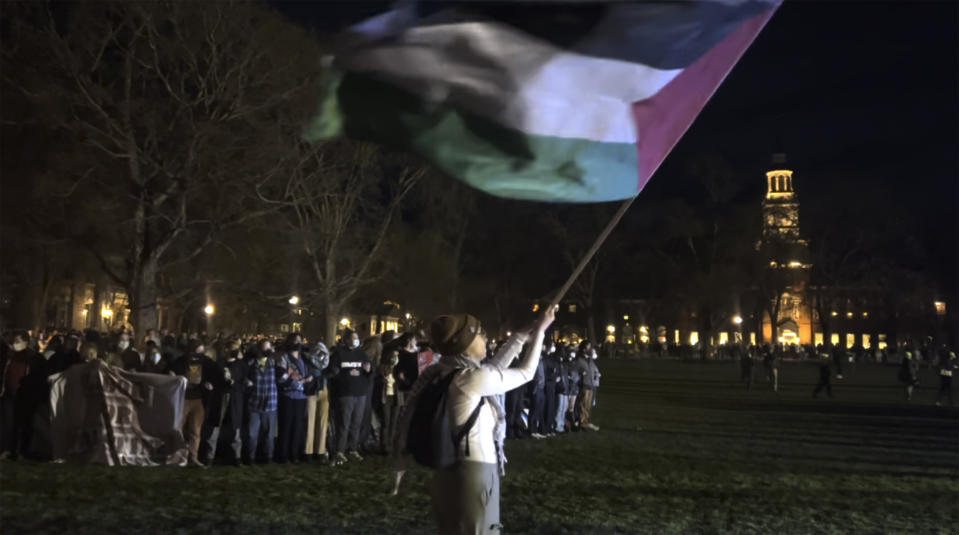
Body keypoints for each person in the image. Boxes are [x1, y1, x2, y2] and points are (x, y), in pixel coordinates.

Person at [394, 306, 555, 534]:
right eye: (480, 333)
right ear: (465, 344)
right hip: (473, 475)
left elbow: (494, 368)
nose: (485, 337)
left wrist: (521, 336)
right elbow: (526, 372)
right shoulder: (470, 379)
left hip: (446, 474)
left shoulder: (443, 373)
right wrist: (540, 332)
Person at [327, 329, 372, 465]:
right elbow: (333, 373)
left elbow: (369, 371)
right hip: (346, 393)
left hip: (360, 393)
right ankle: (340, 451)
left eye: (357, 338)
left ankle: (353, 449)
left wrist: (369, 370)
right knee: (344, 423)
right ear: (346, 340)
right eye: (353, 338)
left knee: (356, 423)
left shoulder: (361, 353)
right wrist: (346, 374)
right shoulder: (339, 354)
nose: (356, 340)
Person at [170, 340, 218, 467]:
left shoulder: (206, 362)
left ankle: (193, 457)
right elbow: (171, 372)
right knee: (179, 429)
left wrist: (209, 383)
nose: (200, 355)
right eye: (198, 351)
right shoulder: (180, 361)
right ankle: (177, 457)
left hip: (198, 399)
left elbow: (213, 373)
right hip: (183, 399)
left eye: (202, 352)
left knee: (195, 431)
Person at [276, 342, 311, 463]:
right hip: (288, 396)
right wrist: (295, 383)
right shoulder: (284, 358)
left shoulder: (304, 359)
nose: (297, 344)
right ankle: (283, 455)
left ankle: (294, 454)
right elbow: (281, 376)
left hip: (301, 397)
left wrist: (308, 380)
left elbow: (309, 373)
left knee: (298, 427)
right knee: (286, 426)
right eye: (294, 341)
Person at [245, 340, 279, 464]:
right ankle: (251, 457)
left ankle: (268, 457)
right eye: (263, 349)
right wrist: (247, 382)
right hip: (255, 403)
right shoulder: (251, 364)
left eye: (267, 349)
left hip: (270, 403)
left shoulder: (274, 363)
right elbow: (244, 377)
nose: (265, 352)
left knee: (269, 434)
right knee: (252, 434)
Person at [303, 342, 331, 462]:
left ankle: (320, 451)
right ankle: (309, 451)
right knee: (311, 421)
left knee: (322, 422)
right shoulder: (308, 360)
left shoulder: (327, 361)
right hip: (312, 390)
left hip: (323, 390)